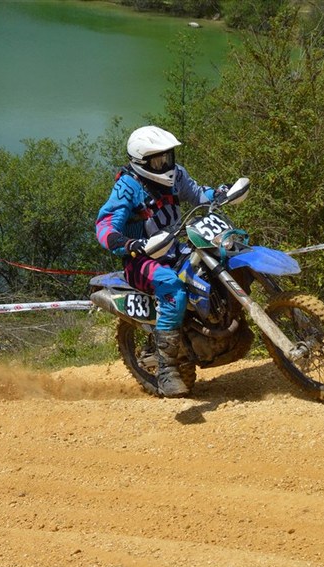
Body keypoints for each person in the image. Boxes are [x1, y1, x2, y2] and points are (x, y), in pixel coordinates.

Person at [96, 125, 218, 397]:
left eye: (168, 156)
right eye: (158, 160)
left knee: (214, 261)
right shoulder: (127, 187)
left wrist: (220, 193)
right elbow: (105, 226)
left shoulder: (176, 176)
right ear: (142, 162)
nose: (166, 164)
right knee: (172, 287)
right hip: (140, 259)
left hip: (173, 249)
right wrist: (129, 244)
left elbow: (199, 194)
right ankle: (166, 369)